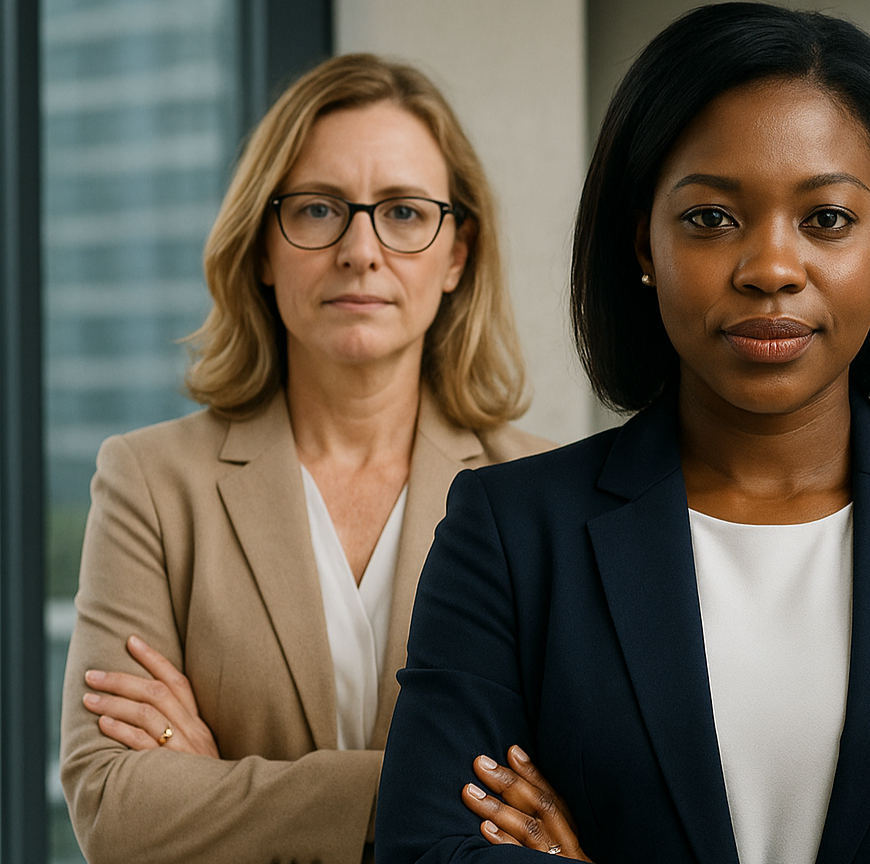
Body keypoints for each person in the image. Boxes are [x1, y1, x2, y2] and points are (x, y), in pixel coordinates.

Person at [375, 6, 870, 864]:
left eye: (826, 219)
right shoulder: (510, 531)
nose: (771, 267)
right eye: (711, 218)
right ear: (644, 241)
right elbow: (428, 851)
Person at [58, 53, 551, 863]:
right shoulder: (150, 482)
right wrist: (425, 786)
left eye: (402, 213)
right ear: (261, 248)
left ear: (456, 254)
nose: (361, 250)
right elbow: (113, 807)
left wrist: (216, 785)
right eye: (319, 210)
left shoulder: (540, 492)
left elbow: (591, 794)